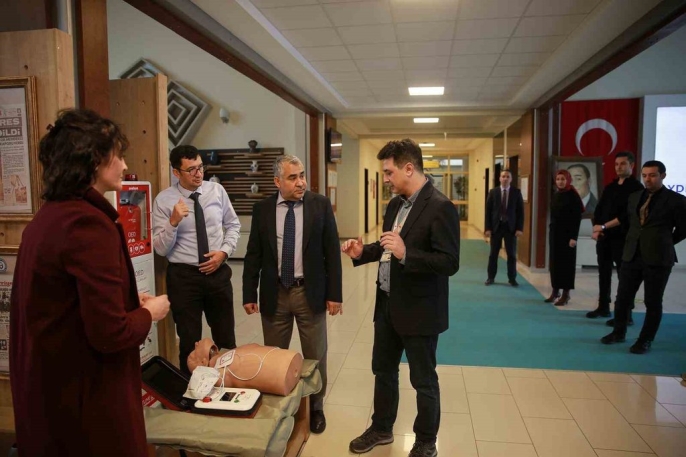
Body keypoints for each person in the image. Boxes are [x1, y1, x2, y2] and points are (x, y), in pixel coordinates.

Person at [9, 109, 170, 456]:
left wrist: (129, 302)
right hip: (87, 401)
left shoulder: (48, 217)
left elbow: (66, 304)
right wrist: (150, 313)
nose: (125, 165)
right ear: (95, 159)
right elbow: (110, 333)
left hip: (50, 394)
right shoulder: (88, 225)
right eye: (119, 155)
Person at [342, 139, 460, 457]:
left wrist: (408, 254)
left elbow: (449, 262)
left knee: (423, 380)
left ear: (409, 168)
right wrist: (362, 252)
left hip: (420, 310)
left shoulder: (441, 207)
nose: (385, 179)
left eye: (388, 172)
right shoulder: (395, 205)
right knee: (383, 370)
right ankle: (381, 428)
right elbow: (387, 248)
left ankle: (426, 441)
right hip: (387, 306)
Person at [242, 155, 342, 434]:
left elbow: (332, 253)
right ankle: (278, 407)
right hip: (275, 294)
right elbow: (253, 254)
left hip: (309, 292)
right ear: (277, 181)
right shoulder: (262, 209)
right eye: (292, 177)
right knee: (274, 357)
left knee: (316, 354)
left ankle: (316, 407)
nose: (301, 182)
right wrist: (249, 292)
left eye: (302, 175)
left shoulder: (320, 205)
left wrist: (335, 294)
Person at [152, 145, 241, 374]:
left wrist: (224, 252)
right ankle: (190, 390)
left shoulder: (217, 191)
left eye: (200, 167)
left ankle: (227, 386)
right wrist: (172, 222)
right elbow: (160, 249)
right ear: (176, 172)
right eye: (191, 169)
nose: (198, 173)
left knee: (226, 339)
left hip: (217, 273)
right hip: (184, 278)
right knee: (189, 341)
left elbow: (233, 225)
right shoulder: (164, 200)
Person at [601, 160, 686, 354]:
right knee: (622, 298)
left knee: (652, 301)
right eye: (645, 175)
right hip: (632, 254)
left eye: (653, 175)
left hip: (658, 258)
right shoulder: (634, 197)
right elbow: (630, 222)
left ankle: (645, 340)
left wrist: (665, 242)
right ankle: (618, 332)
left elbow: (683, 229)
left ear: (663, 176)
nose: (648, 179)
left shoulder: (676, 200)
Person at [587, 152, 643, 320]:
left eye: (623, 164)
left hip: (623, 238)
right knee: (603, 273)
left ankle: (626, 314)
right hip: (604, 237)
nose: (619, 167)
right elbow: (599, 209)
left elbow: (628, 215)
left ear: (631, 166)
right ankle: (603, 306)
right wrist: (597, 228)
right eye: (617, 164)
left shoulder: (636, 188)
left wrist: (604, 226)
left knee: (624, 276)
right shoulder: (610, 187)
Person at [545, 170, 584, 306]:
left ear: (568, 180)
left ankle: (566, 294)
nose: (560, 182)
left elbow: (576, 218)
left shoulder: (573, 196)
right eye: (558, 179)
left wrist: (574, 237)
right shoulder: (556, 195)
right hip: (555, 234)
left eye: (563, 179)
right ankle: (555, 290)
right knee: (554, 263)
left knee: (566, 264)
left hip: (568, 236)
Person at [484, 169, 524, 286]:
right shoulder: (493, 192)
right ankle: (491, 277)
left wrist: (519, 228)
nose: (505, 178)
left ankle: (512, 278)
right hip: (496, 227)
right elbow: (488, 211)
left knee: (511, 255)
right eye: (503, 176)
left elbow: (520, 212)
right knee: (493, 254)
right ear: (499, 178)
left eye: (507, 177)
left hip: (510, 228)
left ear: (511, 179)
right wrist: (487, 228)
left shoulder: (516, 192)